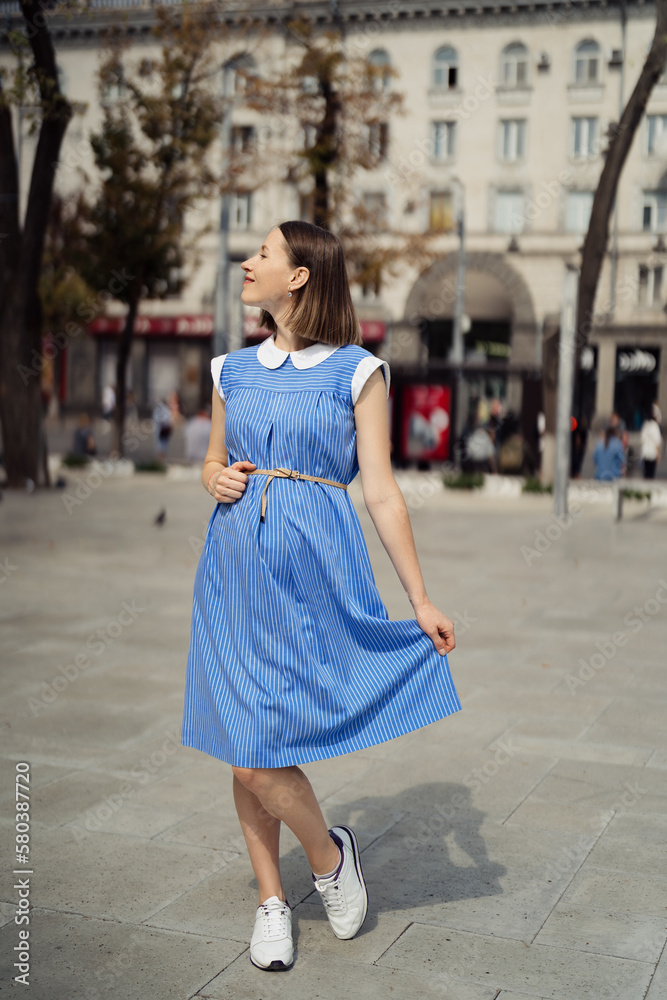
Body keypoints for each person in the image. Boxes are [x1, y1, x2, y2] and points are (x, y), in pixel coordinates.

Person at [181, 221, 460, 973]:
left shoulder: (355, 372)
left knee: (262, 747)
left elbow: (381, 491)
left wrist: (420, 597)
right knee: (246, 748)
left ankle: (328, 856)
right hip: (233, 568)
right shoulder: (229, 369)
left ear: (299, 276)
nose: (248, 261)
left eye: (263, 254)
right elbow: (210, 461)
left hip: (313, 572)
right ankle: (277, 897)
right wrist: (217, 478)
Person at [639, 406, 662, 479]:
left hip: (645, 453)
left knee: (646, 473)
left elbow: (641, 440)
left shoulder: (645, 425)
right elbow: (657, 442)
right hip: (652, 453)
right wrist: (658, 454)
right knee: (651, 474)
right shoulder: (655, 426)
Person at [152, 397, 173, 462]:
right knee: (162, 442)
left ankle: (161, 455)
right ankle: (161, 455)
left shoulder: (162, 410)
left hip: (162, 428)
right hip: (162, 428)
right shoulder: (164, 410)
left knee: (161, 442)